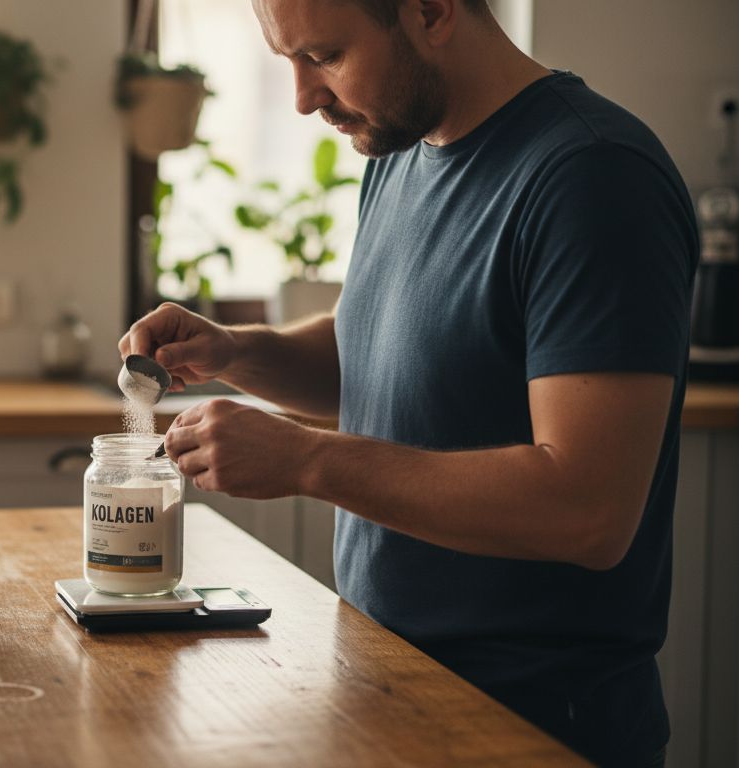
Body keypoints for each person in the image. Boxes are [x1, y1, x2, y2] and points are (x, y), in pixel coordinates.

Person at [119, 1, 697, 765]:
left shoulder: (594, 175)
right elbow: (397, 358)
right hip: (388, 689)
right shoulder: (398, 150)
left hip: (530, 724)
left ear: (430, 10)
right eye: (286, 60)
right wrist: (235, 350)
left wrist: (306, 461)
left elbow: (586, 509)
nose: (302, 97)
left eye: (323, 57)